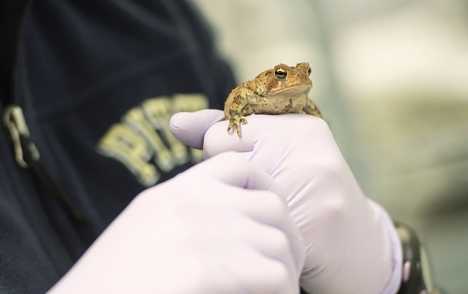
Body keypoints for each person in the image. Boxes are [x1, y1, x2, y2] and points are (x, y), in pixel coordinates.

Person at [1, 0, 437, 293]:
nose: (296, 79)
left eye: (300, 74)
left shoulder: (147, 15)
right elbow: (237, 99)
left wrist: (392, 272)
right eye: (287, 74)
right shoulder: (254, 91)